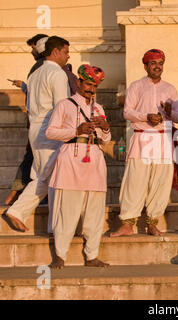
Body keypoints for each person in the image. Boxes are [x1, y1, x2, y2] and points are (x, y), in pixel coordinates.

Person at [110, 49, 178, 237]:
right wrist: (146, 116)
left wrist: (168, 112)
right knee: (135, 181)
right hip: (142, 137)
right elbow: (127, 112)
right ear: (145, 66)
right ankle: (128, 223)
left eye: (160, 62)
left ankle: (152, 222)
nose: (157, 66)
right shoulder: (136, 86)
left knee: (160, 182)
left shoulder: (170, 89)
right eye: (153, 63)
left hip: (162, 140)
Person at [47, 64, 110, 269]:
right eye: (88, 84)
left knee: (95, 211)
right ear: (79, 82)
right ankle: (60, 255)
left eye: (95, 86)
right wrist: (76, 130)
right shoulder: (65, 105)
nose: (91, 89)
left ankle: (92, 255)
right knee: (68, 210)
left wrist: (105, 128)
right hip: (71, 159)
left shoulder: (99, 108)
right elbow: (50, 132)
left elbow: (106, 141)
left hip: (94, 161)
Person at [5, 36, 71, 232]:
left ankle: (51, 225)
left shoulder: (35, 74)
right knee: (50, 176)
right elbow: (62, 107)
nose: (68, 56)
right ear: (55, 52)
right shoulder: (57, 74)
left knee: (48, 176)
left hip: (36, 129)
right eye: (66, 52)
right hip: (51, 131)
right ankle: (20, 212)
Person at [5, 34, 48, 205]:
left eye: (33, 47)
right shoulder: (41, 67)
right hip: (38, 124)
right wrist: (24, 86)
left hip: (43, 125)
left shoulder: (44, 67)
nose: (32, 51)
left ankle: (15, 195)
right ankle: (15, 195)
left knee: (33, 159)